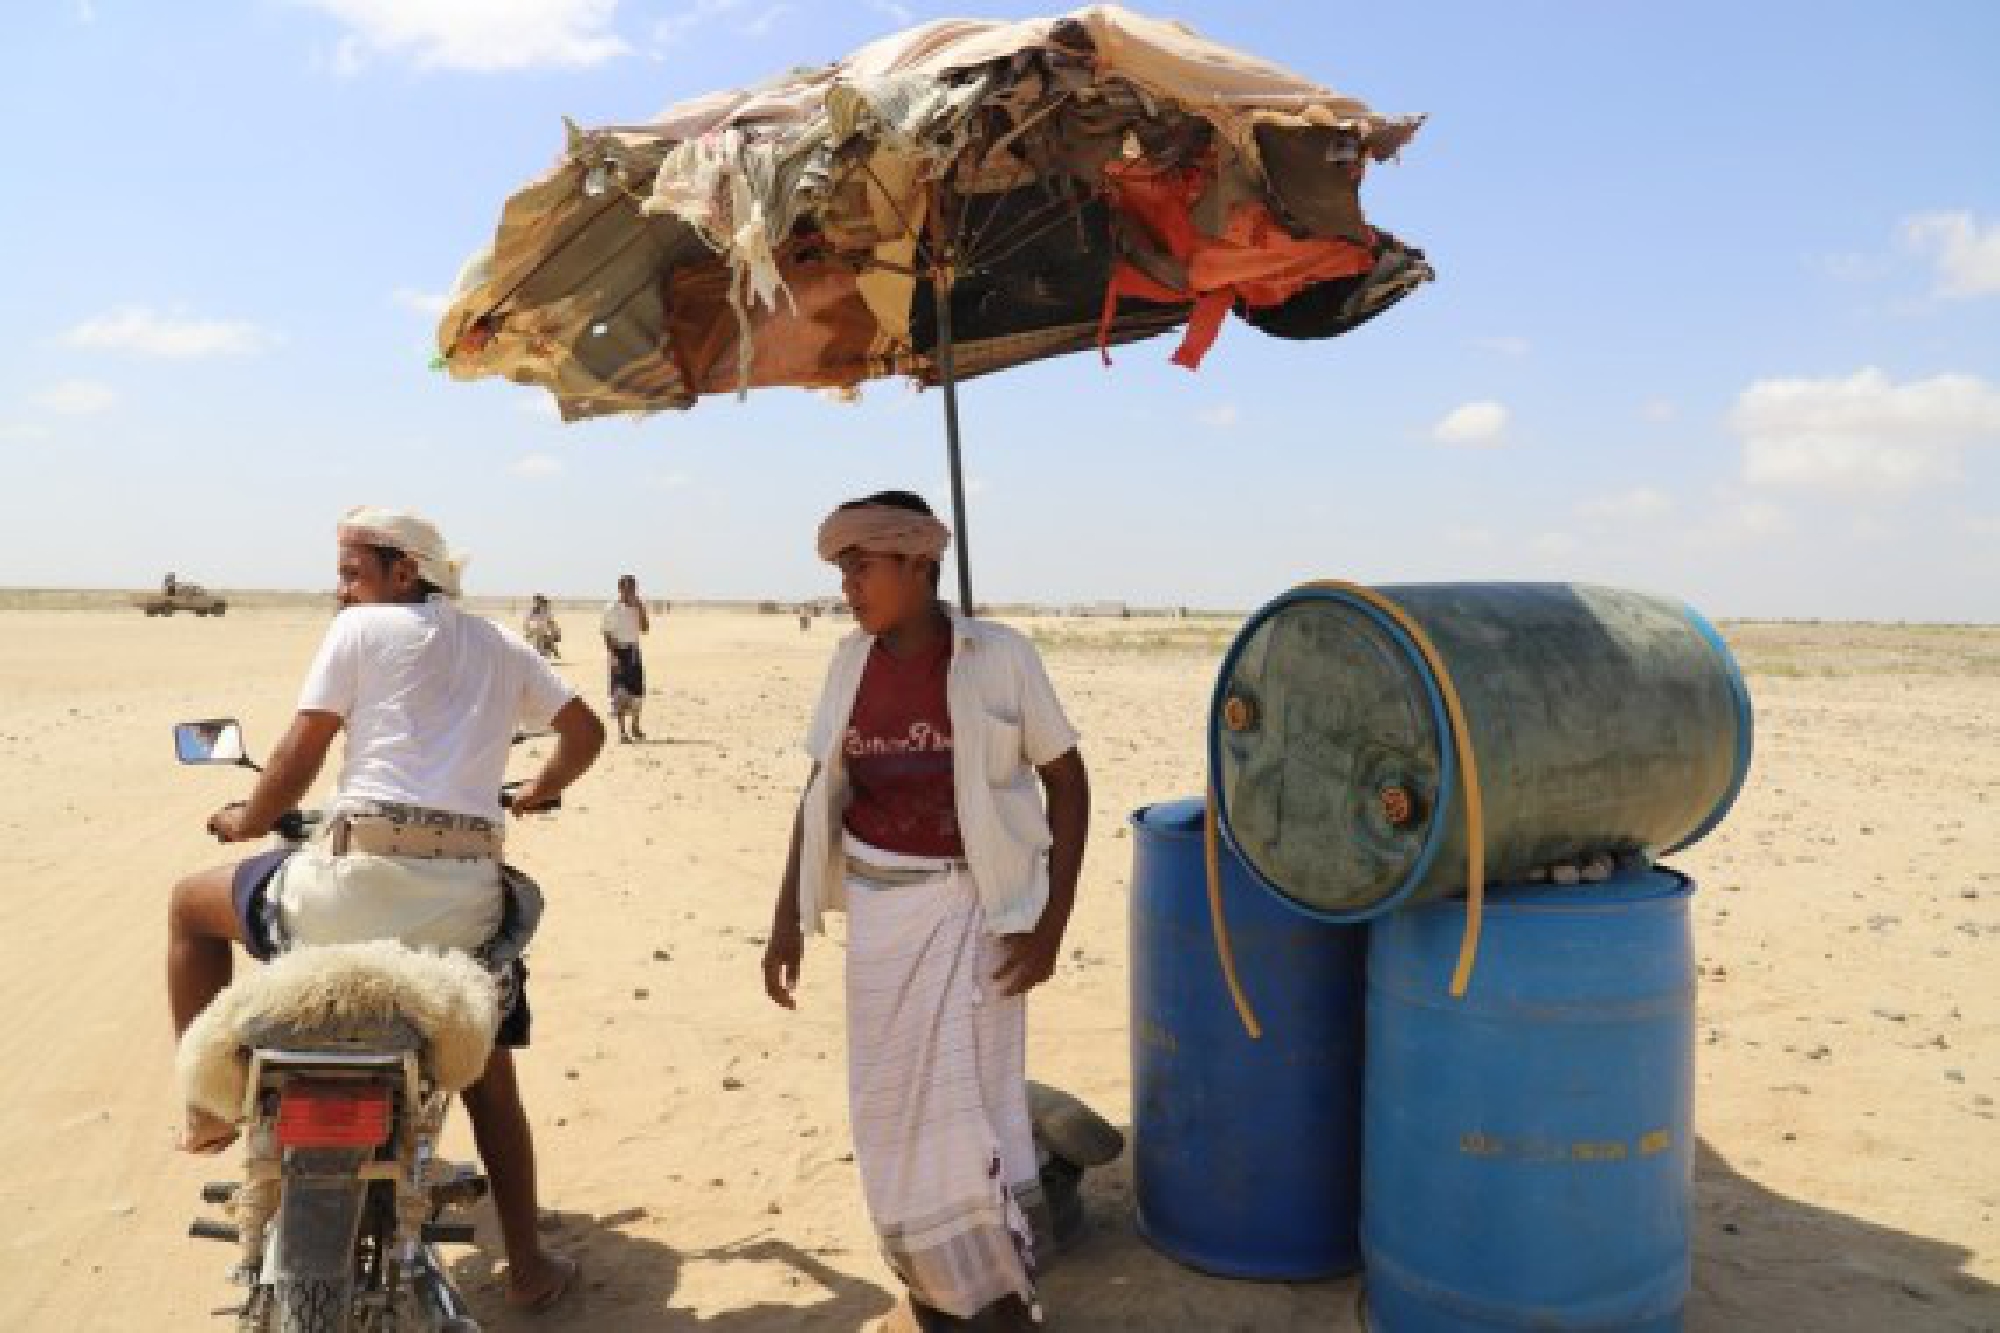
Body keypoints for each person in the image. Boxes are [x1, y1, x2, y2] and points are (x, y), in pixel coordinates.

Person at [164, 506, 604, 1313]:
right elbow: (586, 731)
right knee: (492, 1080)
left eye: (351, 571)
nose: (341, 590)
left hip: (344, 896)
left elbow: (299, 754)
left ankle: (205, 1110)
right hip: (458, 909)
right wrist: (541, 788)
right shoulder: (501, 644)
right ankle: (532, 1267)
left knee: (189, 905)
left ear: (406, 571)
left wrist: (247, 820)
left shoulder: (361, 632)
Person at [761, 491, 1091, 1331]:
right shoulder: (847, 664)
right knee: (890, 1113)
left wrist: (1050, 927)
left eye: (860, 567)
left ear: (917, 561)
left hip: (983, 918)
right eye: (841, 571)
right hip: (881, 920)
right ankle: (932, 1289)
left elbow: (1068, 781)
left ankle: (997, 1292)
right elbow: (818, 792)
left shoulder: (1001, 656)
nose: (849, 588)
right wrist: (787, 917)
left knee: (978, 1112)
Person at [601, 573, 650, 742]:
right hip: (618, 652)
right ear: (620, 589)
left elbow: (645, 629)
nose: (631, 591)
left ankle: (635, 726)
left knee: (638, 692)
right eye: (627, 588)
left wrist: (641, 609)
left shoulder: (638, 607)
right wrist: (613, 655)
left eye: (633, 588)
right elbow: (606, 634)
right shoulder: (611, 608)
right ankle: (622, 732)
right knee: (619, 693)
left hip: (634, 652)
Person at [524, 594, 562, 660]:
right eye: (535, 601)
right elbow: (526, 622)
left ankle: (552, 649)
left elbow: (550, 622)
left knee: (545, 647)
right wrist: (528, 631)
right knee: (536, 649)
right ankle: (552, 650)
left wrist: (556, 631)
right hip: (534, 632)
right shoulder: (532, 611)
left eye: (538, 601)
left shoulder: (546, 611)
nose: (537, 603)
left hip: (543, 632)